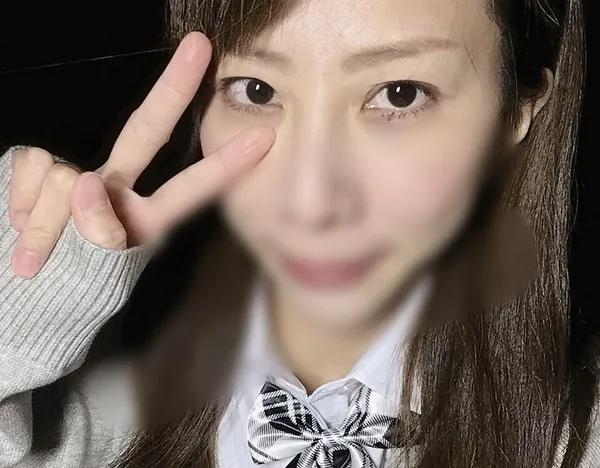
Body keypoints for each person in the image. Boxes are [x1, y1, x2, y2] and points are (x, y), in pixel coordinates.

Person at [0, 0, 596, 467]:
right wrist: (19, 314)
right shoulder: (96, 434)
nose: (310, 201)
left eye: (400, 94)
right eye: (255, 91)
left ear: (517, 111)